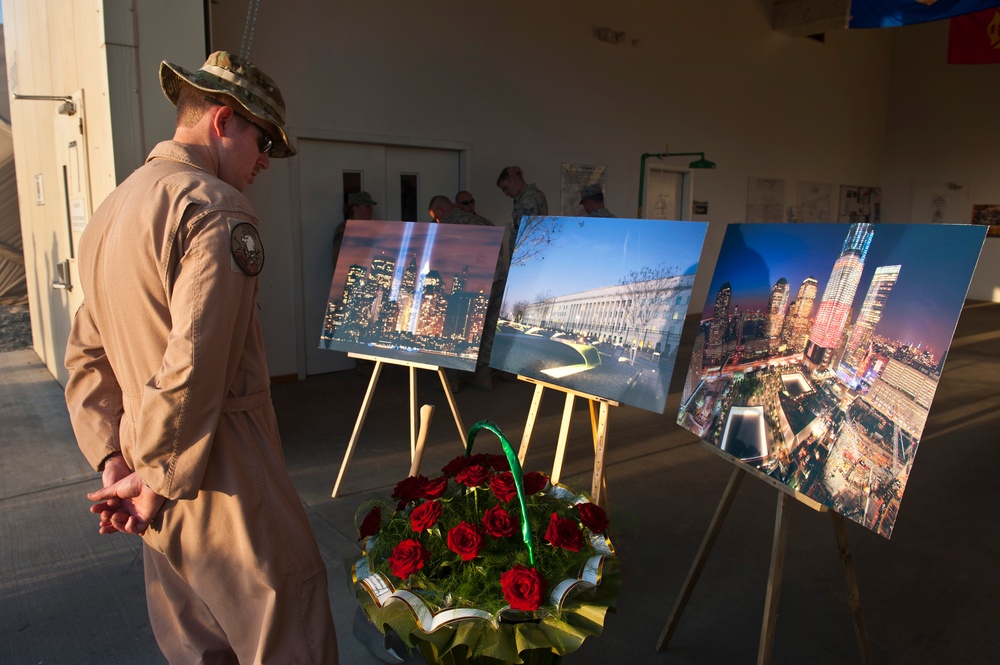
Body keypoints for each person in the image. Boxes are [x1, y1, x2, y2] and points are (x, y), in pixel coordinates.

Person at [63, 51, 339, 664]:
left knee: (195, 645)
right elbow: (196, 360)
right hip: (220, 467)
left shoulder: (113, 210)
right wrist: (157, 478)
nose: (266, 157)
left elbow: (86, 355)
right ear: (223, 122)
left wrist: (113, 458)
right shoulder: (214, 206)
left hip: (147, 465)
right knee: (288, 628)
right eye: (263, 137)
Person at [428, 195, 498, 391]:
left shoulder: (442, 228)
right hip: (496, 280)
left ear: (441, 211)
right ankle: (483, 377)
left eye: (436, 217)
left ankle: (451, 380)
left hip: (465, 285)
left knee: (452, 328)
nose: (436, 221)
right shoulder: (484, 221)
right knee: (487, 330)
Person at [334, 191, 377, 267]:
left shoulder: (372, 228)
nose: (371, 210)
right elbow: (338, 257)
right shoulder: (345, 228)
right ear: (355, 208)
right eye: (367, 206)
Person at [428, 194, 493, 226]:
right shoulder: (486, 223)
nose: (437, 220)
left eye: (436, 217)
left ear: (440, 210)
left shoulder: (441, 228)